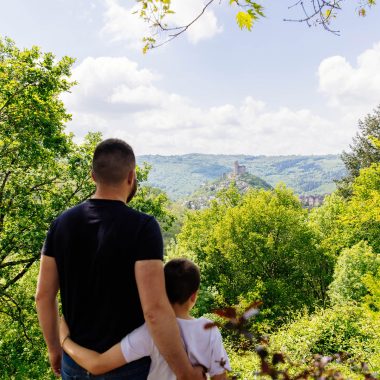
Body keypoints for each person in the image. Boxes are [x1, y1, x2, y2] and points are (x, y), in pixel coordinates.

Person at [35, 138, 204, 380]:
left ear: (93, 176)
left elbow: (43, 296)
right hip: (127, 367)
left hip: (74, 362)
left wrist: (54, 349)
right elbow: (155, 310)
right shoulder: (143, 227)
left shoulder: (61, 224)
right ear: (131, 176)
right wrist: (184, 373)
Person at [60, 258, 231, 379]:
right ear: (194, 296)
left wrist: (64, 340)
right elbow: (220, 377)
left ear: (161, 290)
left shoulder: (151, 332)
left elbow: (97, 365)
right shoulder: (209, 329)